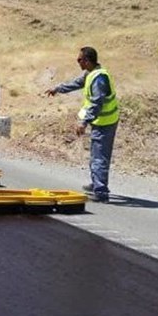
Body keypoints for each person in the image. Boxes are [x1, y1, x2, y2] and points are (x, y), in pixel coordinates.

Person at [44, 46, 119, 202]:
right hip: (100, 120)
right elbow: (76, 83)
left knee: (99, 156)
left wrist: (84, 122)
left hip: (106, 121)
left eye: (79, 59)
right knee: (95, 153)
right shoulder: (91, 73)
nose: (77, 62)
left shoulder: (99, 78)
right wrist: (57, 89)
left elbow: (97, 103)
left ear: (86, 60)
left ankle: (101, 191)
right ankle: (96, 182)